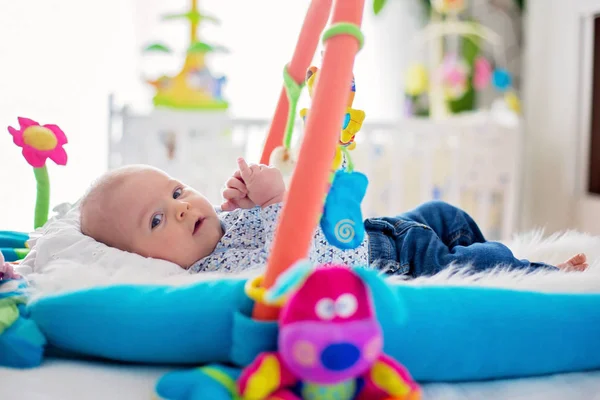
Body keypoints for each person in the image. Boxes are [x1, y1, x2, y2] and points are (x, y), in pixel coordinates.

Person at [79, 159, 588, 276]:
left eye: (176, 190)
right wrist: (277, 197)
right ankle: (542, 276)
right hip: (393, 262)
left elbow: (262, 226)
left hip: (382, 230)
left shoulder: (217, 227)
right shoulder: (212, 276)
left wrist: (249, 201)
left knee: (445, 214)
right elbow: (292, 256)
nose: (183, 206)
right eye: (156, 220)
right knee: (475, 264)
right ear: (143, 260)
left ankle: (508, 253)